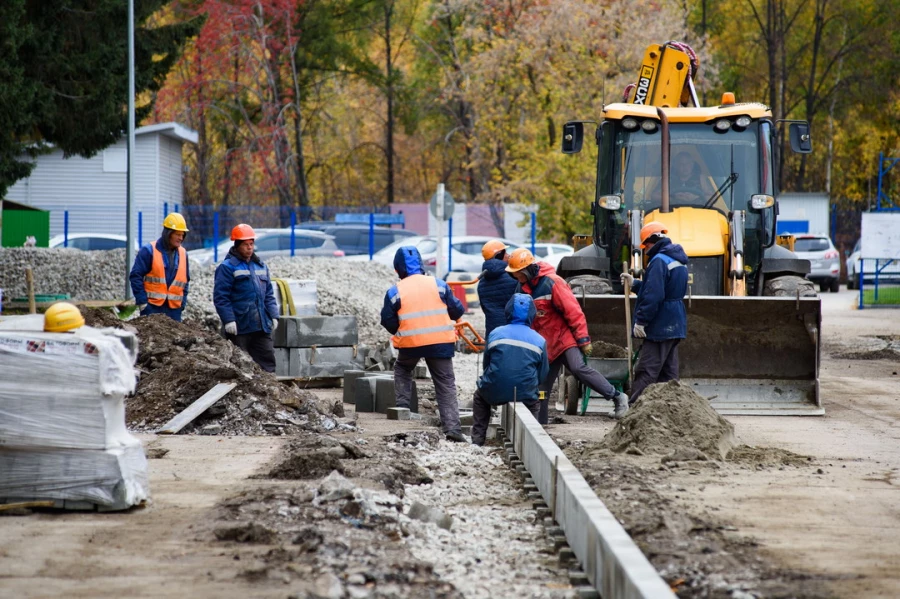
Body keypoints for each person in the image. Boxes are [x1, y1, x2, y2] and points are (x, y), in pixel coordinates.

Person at [506, 248, 628, 423]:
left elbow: (573, 312)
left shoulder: (553, 283)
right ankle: (540, 424)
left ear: (528, 270)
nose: (517, 278)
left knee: (578, 369)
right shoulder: (522, 287)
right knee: (542, 386)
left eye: (519, 274)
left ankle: (617, 397)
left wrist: (583, 340)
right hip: (544, 345)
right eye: (515, 275)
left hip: (563, 340)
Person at [380, 246, 467, 443]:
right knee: (445, 384)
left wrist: (402, 330)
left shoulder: (395, 291)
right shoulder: (439, 285)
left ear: (398, 269)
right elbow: (457, 311)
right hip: (441, 343)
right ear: (421, 265)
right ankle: (452, 428)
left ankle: (402, 413)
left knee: (403, 368)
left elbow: (387, 320)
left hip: (411, 343)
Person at [620, 222, 688, 404]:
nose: (646, 249)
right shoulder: (676, 259)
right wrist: (635, 284)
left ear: (652, 241)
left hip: (660, 324)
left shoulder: (658, 260)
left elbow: (654, 295)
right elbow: (662, 289)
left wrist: (641, 320)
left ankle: (634, 408)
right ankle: (671, 408)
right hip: (675, 322)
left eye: (646, 245)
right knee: (668, 373)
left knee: (647, 370)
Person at [471, 293, 549, 446]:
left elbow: (487, 364)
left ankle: (478, 440)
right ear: (532, 315)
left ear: (507, 312)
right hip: (525, 392)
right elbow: (543, 373)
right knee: (534, 403)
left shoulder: (495, 333)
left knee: (480, 398)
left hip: (494, 388)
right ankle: (530, 442)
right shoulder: (539, 340)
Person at [213, 224, 279, 373]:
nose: (249, 247)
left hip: (261, 325)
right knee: (240, 366)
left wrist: (274, 315)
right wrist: (229, 320)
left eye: (251, 244)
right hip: (240, 327)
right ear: (237, 246)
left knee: (267, 362)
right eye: (245, 244)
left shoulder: (260, 266)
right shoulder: (227, 267)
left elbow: (268, 294)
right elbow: (221, 297)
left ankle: (269, 392)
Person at [129, 212, 191, 322]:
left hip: (174, 310)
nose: (180, 238)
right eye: (177, 234)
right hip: (152, 308)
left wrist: (182, 304)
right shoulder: (149, 250)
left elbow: (185, 282)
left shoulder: (183, 253)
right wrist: (142, 302)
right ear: (168, 234)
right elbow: (135, 276)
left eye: (182, 235)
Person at [477, 239, 518, 369]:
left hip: (492, 328)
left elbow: (485, 308)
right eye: (505, 252)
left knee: (491, 362)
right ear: (499, 255)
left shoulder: (481, 282)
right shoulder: (513, 278)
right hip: (512, 327)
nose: (508, 255)